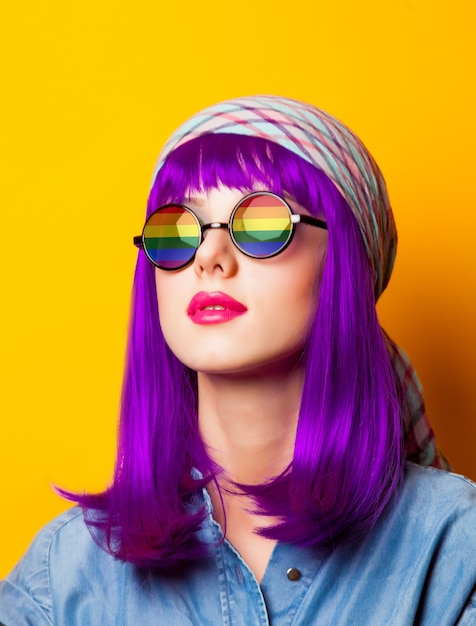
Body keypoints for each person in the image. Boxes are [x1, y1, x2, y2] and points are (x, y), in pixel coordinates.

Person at [0, 95, 475, 625]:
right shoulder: (62, 576)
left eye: (264, 225)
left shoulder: (455, 550)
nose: (209, 256)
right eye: (178, 228)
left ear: (346, 267)